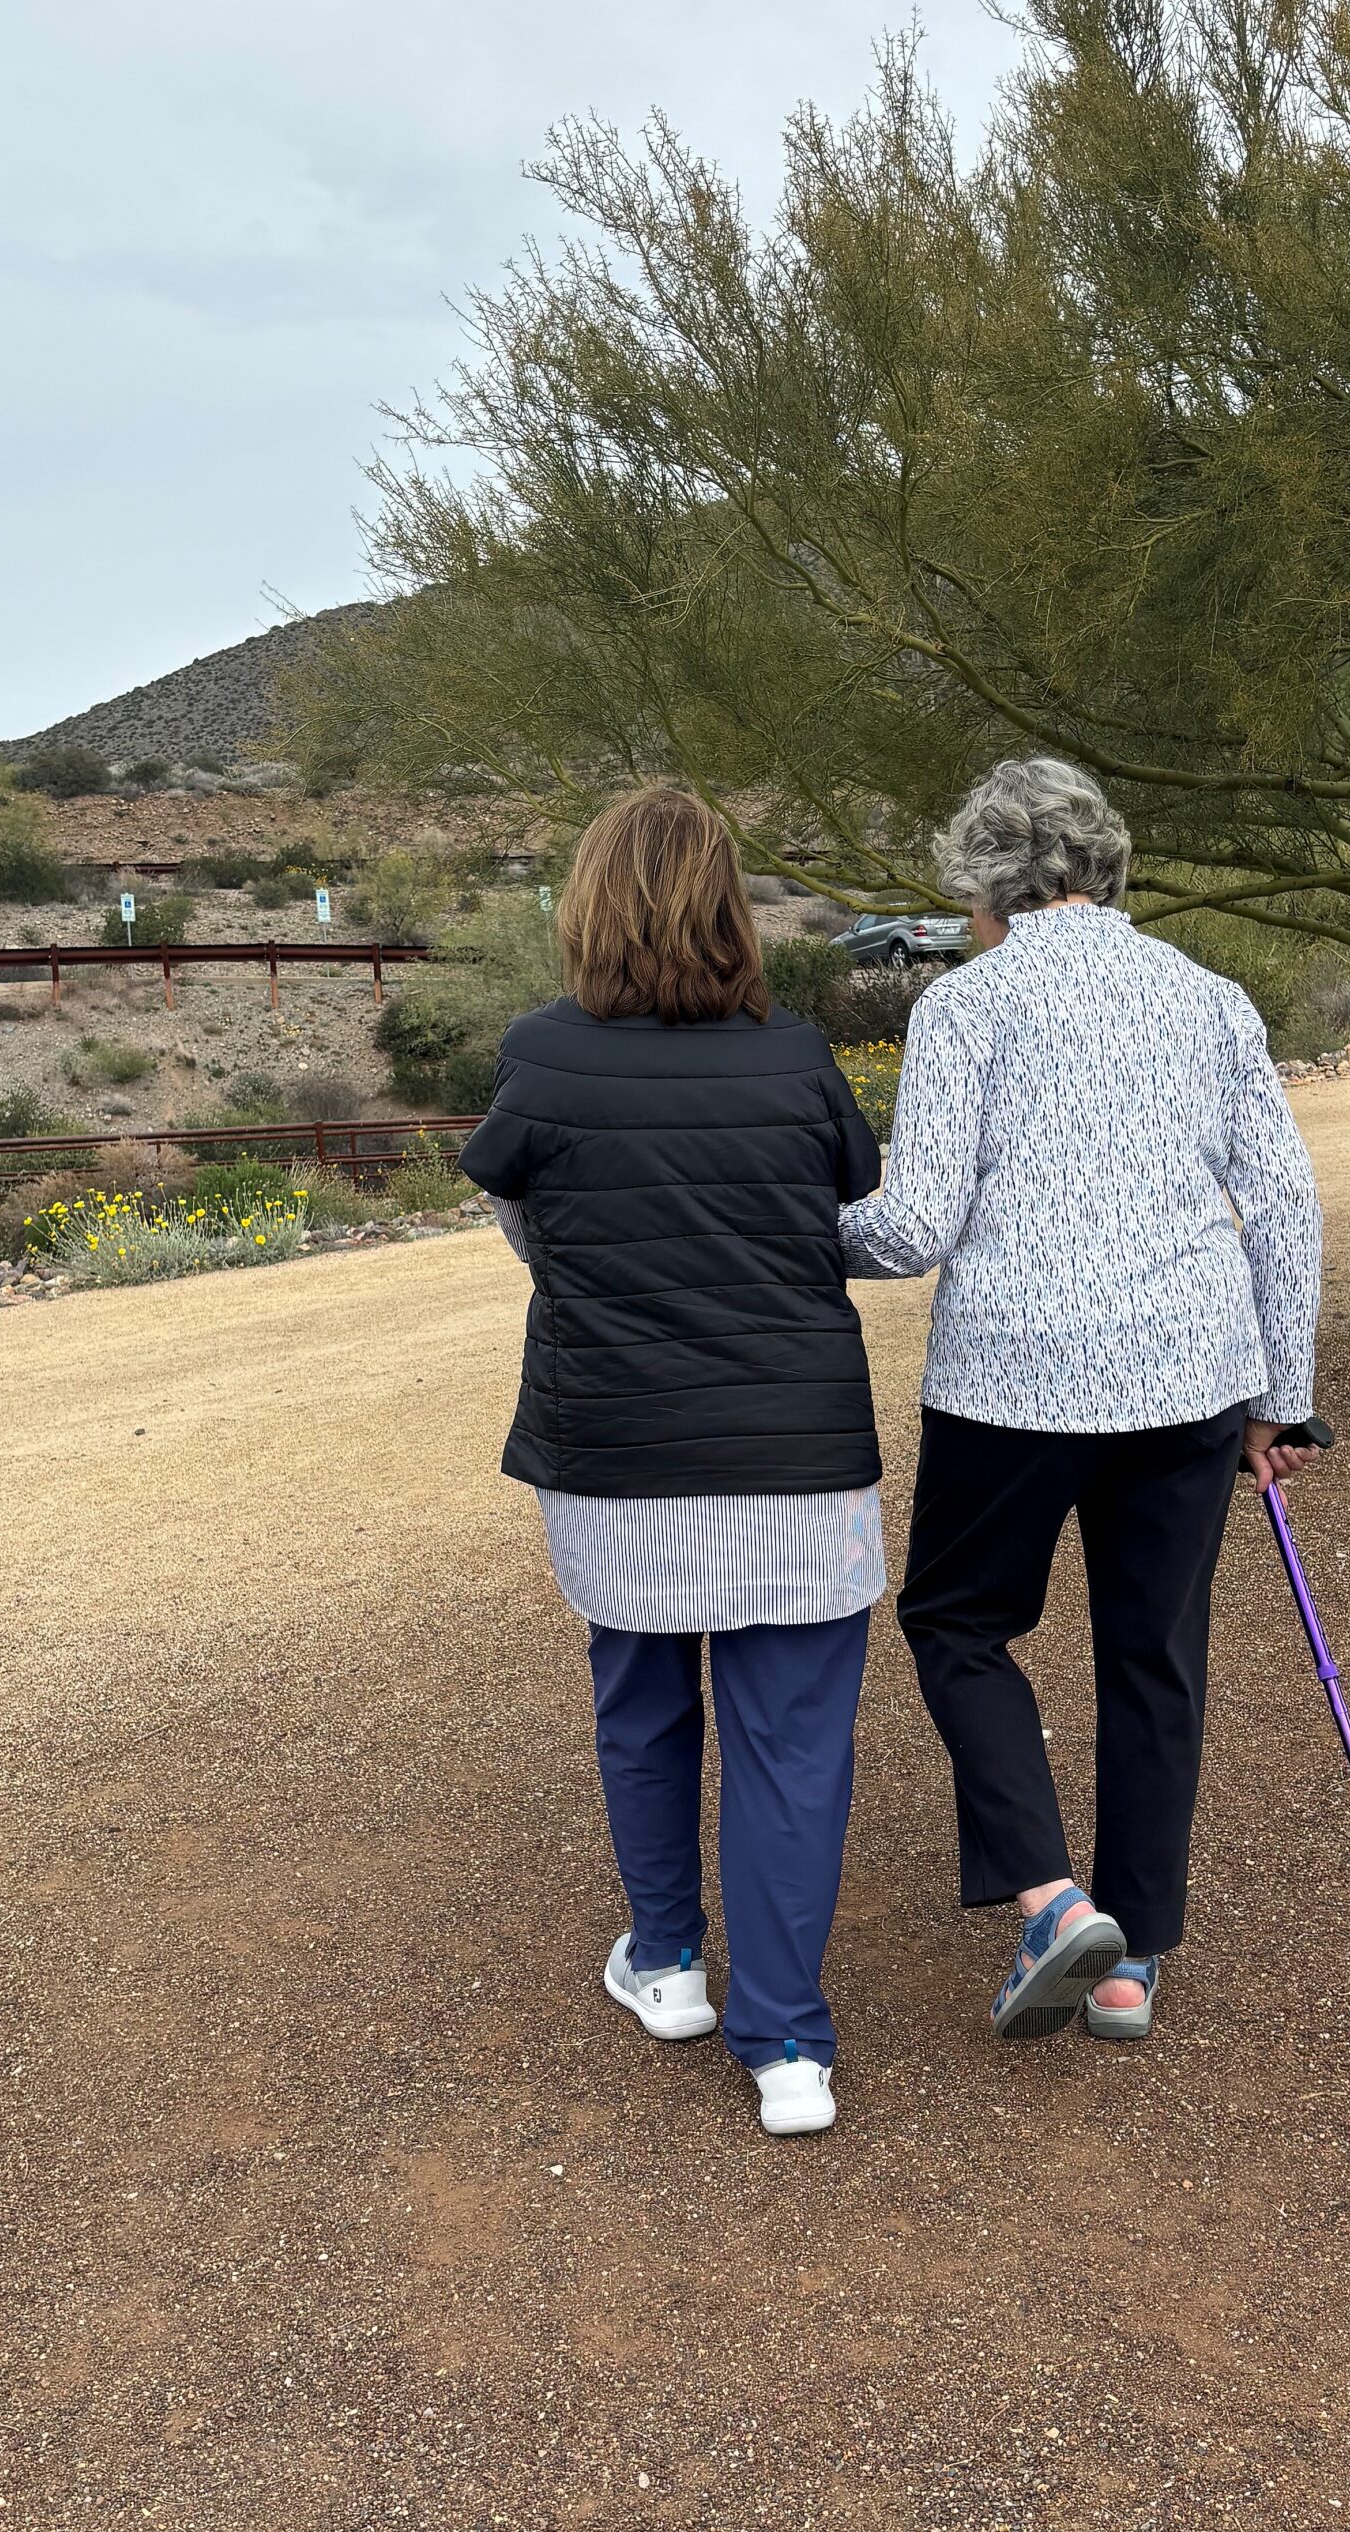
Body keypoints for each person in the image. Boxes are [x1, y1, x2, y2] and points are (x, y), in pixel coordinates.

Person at [840, 756, 1324, 2042]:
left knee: (956, 1619)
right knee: (1153, 1653)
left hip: (1013, 1378)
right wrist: (1282, 1397)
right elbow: (1283, 1201)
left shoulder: (966, 1004)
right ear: (1102, 865)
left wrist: (799, 1234)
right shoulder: (1208, 996)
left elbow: (913, 1226)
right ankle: (1129, 1962)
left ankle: (1053, 1899)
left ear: (987, 880)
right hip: (1190, 1374)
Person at [459, 786, 884, 2137]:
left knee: (641, 1701)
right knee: (793, 1746)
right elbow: (844, 1204)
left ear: (587, 905)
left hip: (617, 1444)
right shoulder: (795, 1054)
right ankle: (788, 2045)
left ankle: (666, 1964)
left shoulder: (542, 1056)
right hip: (797, 1450)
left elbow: (526, 1226)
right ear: (729, 909)